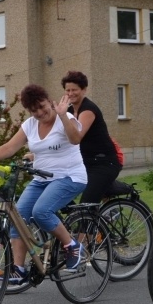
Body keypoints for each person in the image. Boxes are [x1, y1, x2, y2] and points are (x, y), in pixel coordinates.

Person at [0, 84, 88, 283]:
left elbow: (75, 139)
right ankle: (18, 268)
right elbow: (10, 146)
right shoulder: (30, 124)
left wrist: (63, 115)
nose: (39, 112)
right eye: (34, 110)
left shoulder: (65, 118)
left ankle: (72, 246)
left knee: (41, 211)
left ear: (49, 101)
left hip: (69, 177)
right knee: (17, 216)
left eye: (42, 106)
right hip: (41, 179)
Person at [61, 71, 122, 204]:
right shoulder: (69, 111)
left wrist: (63, 116)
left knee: (86, 205)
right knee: (59, 192)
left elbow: (77, 136)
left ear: (84, 90)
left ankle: (112, 190)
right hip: (84, 163)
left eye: (74, 90)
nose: (70, 93)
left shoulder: (88, 109)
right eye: (67, 90)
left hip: (103, 163)